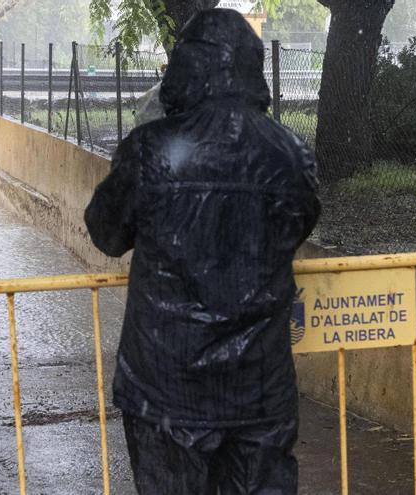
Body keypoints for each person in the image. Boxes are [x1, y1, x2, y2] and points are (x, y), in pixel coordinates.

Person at [84, 8, 321, 495]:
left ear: (186, 67)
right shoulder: (289, 153)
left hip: (165, 389)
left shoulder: (152, 148)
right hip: (260, 388)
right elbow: (297, 226)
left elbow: (106, 233)